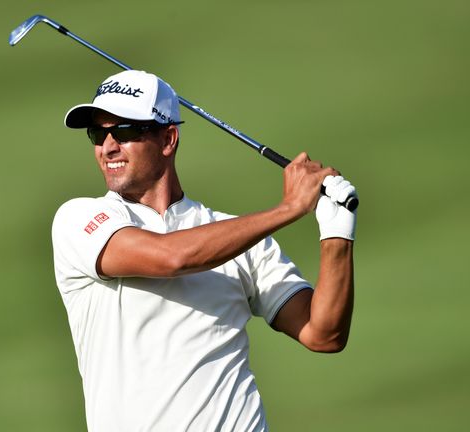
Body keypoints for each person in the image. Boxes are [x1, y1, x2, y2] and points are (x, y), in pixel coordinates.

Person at [51, 70, 356, 431]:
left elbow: (324, 334)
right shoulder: (79, 220)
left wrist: (336, 235)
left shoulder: (240, 239)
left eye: (126, 131)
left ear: (168, 139)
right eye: (97, 134)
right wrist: (288, 208)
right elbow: (170, 257)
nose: (108, 146)